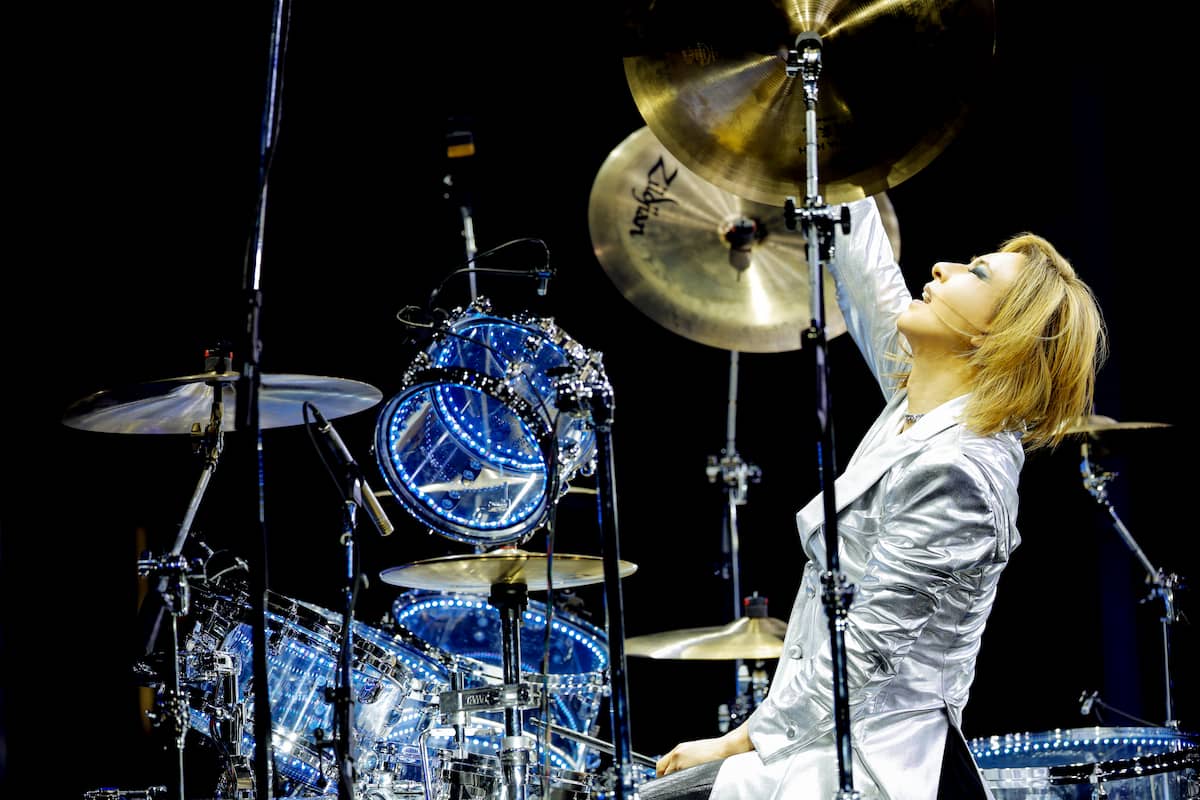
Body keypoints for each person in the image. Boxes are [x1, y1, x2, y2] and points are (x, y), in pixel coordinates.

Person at [638, 195, 1108, 800]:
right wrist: (834, 165)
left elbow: (865, 652)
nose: (942, 268)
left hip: (871, 758)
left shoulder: (959, 469)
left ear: (1000, 334)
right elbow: (869, 283)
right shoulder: (926, 402)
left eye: (976, 273)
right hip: (820, 736)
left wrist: (738, 742)